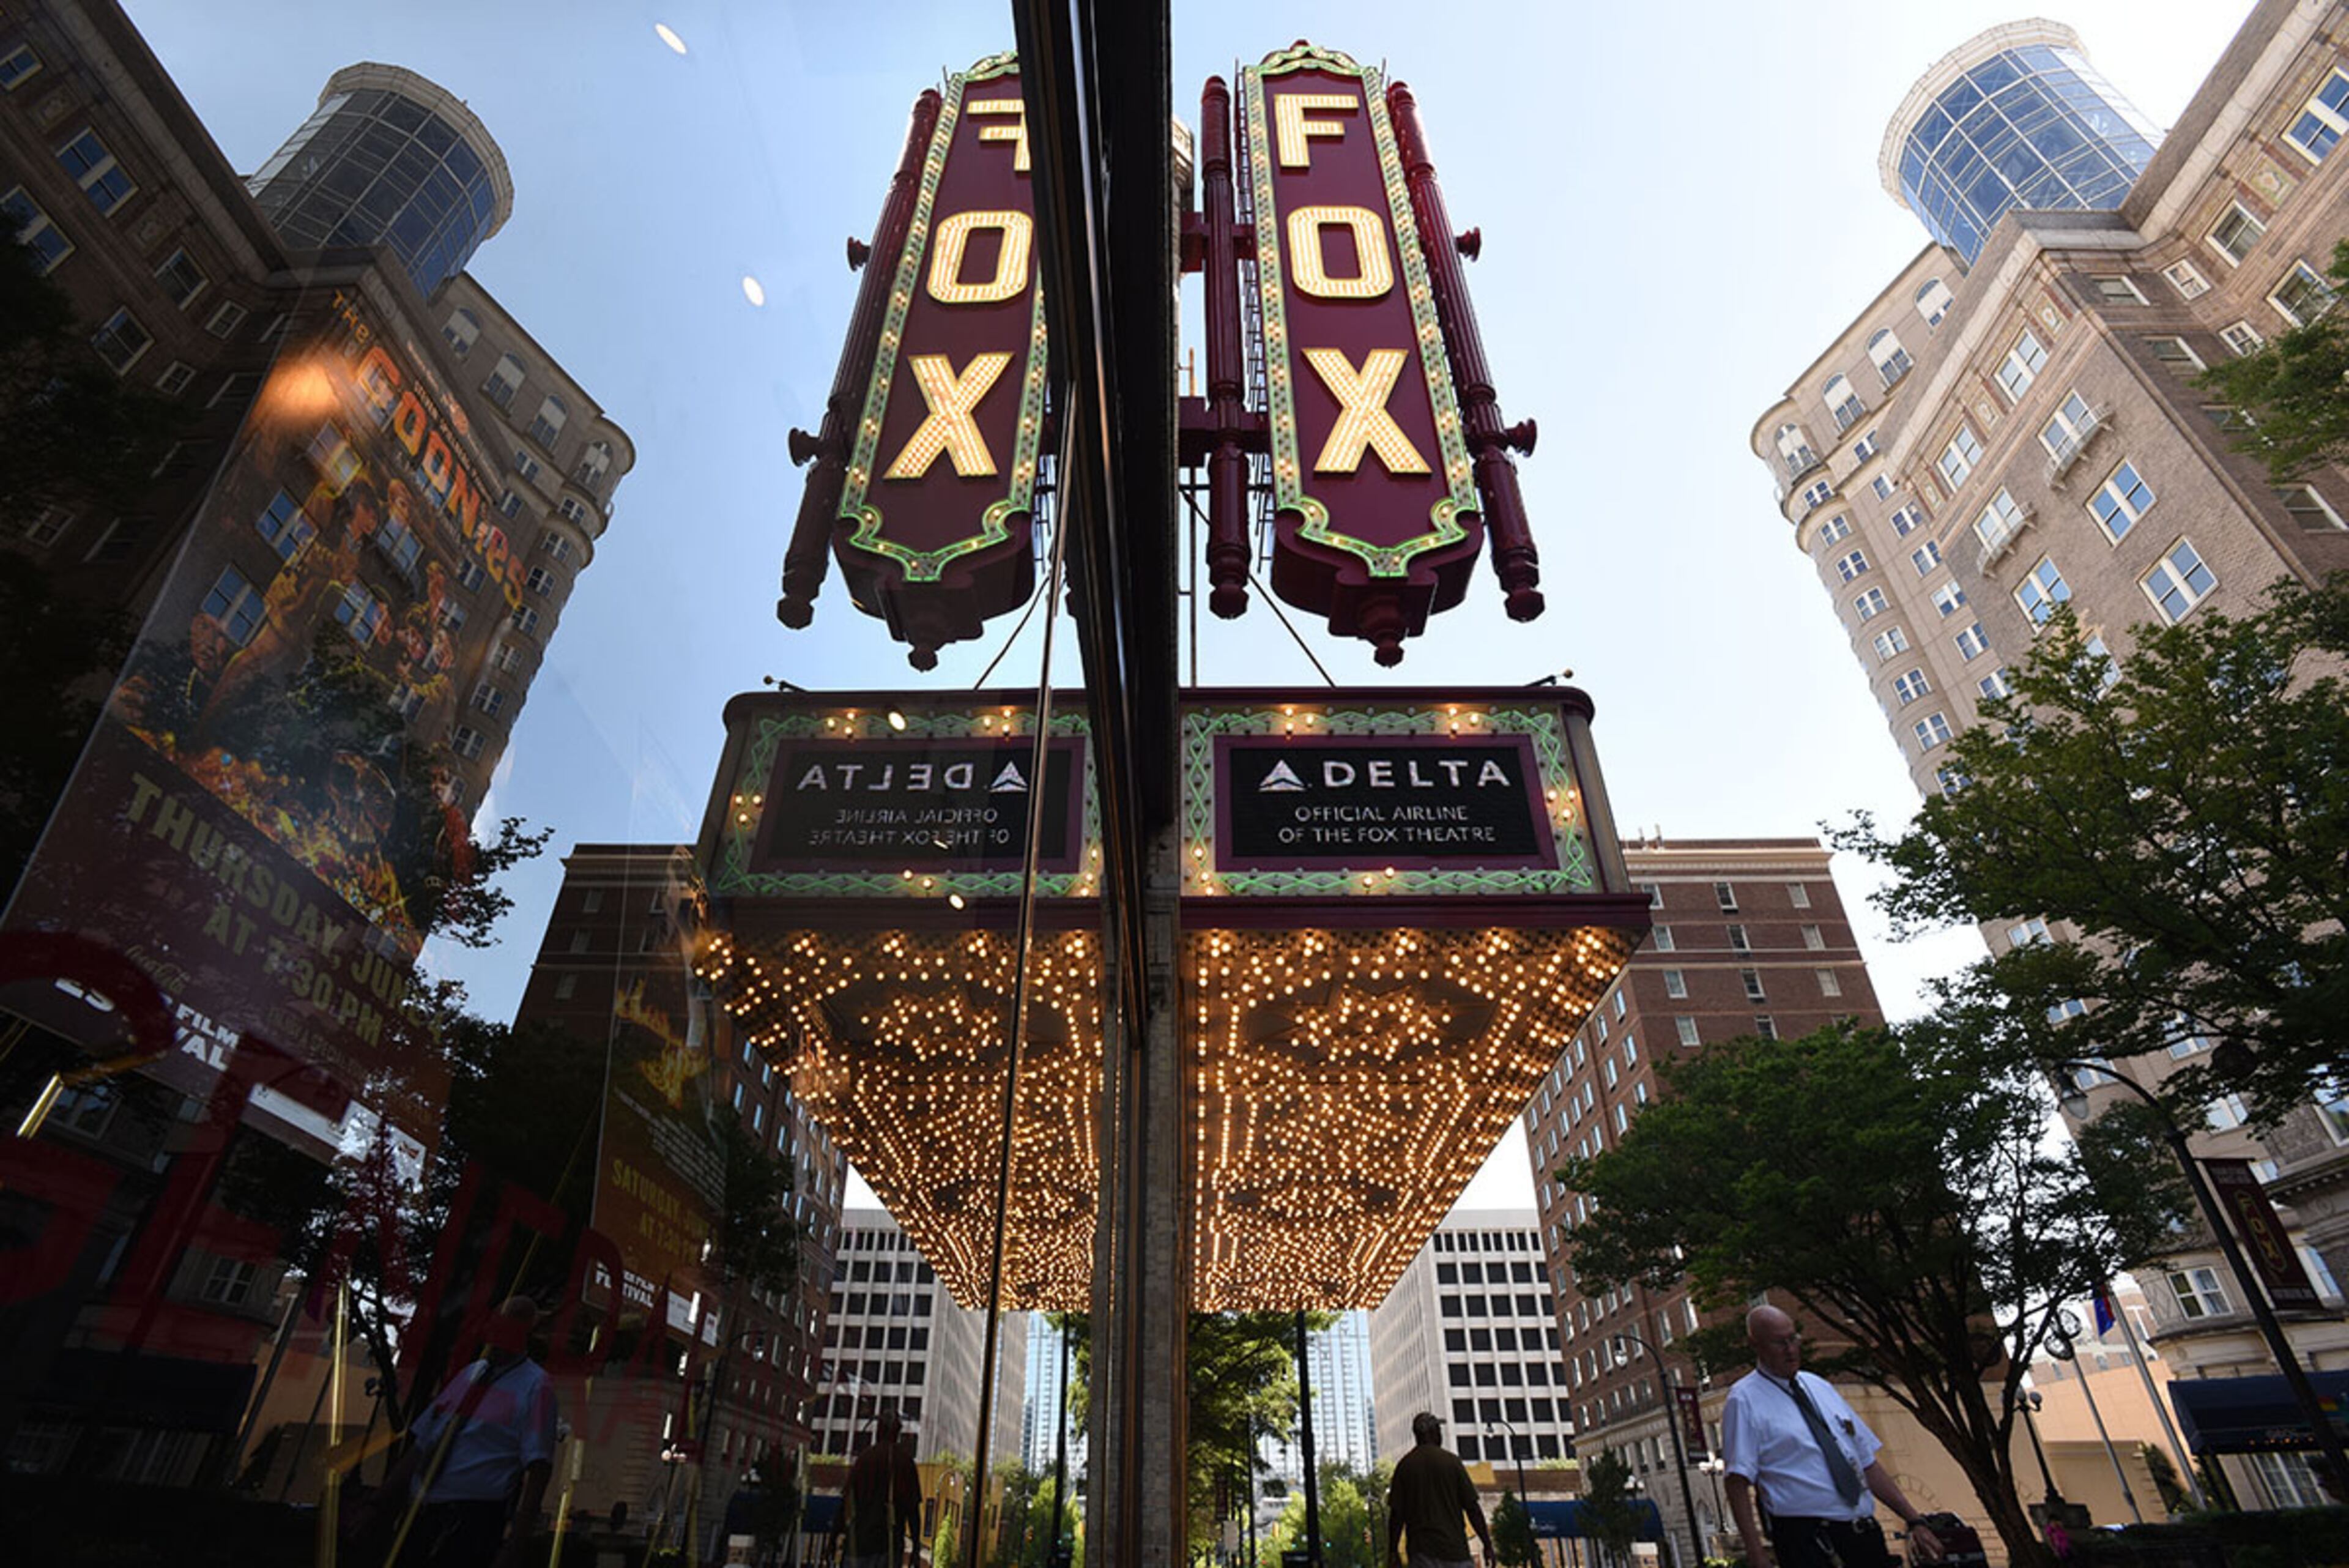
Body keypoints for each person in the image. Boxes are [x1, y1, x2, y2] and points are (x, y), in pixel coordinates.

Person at [1723, 1304, 1945, 1568]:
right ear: (1755, 1345)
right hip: (1808, 1539)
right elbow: (1737, 1481)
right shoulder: (1744, 1400)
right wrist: (1756, 1552)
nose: (1791, 1350)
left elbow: (1866, 1462)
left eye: (1794, 1339)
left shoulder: (1820, 1387)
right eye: (1779, 1343)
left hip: (1862, 1533)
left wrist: (1914, 1520)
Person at [369, 1295, 559, 1568]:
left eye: (509, 1327)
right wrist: (378, 1504)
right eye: (496, 1325)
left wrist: (515, 1543)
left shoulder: (535, 1387)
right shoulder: (470, 1374)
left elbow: (538, 1467)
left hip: (472, 1517)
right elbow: (424, 1442)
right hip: (422, 1513)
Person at [1386, 1411, 1497, 1568]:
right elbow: (1472, 1508)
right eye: (1438, 1430)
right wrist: (1487, 1544)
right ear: (1433, 1433)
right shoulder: (1452, 1463)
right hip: (1455, 1552)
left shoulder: (1405, 1466)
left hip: (1422, 1554)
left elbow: (1397, 1516)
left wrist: (1393, 1551)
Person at [829, 1409, 923, 1568]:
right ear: (897, 1433)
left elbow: (847, 1503)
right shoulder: (905, 1463)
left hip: (858, 1547)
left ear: (879, 1430)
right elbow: (913, 1511)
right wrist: (915, 1549)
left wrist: (833, 1539)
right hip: (888, 1549)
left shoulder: (864, 1459)